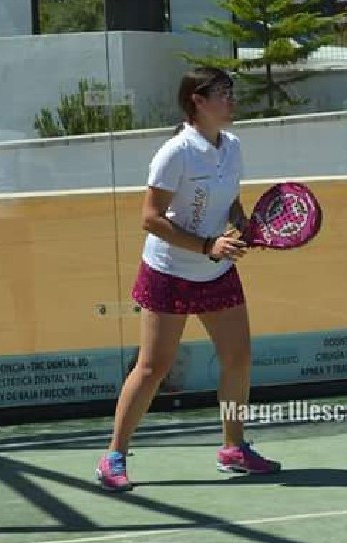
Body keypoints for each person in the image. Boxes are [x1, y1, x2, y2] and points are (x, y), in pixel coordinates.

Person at [96, 67, 281, 492]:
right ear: (197, 101)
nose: (231, 100)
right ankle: (113, 457)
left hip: (217, 271)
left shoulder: (232, 147)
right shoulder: (174, 153)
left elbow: (229, 200)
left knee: (238, 359)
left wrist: (240, 222)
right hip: (169, 272)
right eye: (222, 93)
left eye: (232, 92)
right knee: (153, 367)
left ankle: (233, 448)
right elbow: (150, 218)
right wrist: (206, 245)